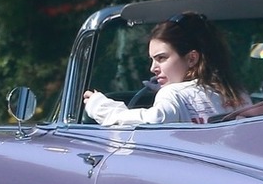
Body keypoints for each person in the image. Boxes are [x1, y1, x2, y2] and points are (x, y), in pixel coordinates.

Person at [84, 12, 251, 125]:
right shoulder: (237, 92)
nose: (153, 68)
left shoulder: (173, 94)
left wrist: (102, 108)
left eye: (161, 58)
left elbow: (153, 121)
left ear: (192, 58)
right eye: (152, 60)